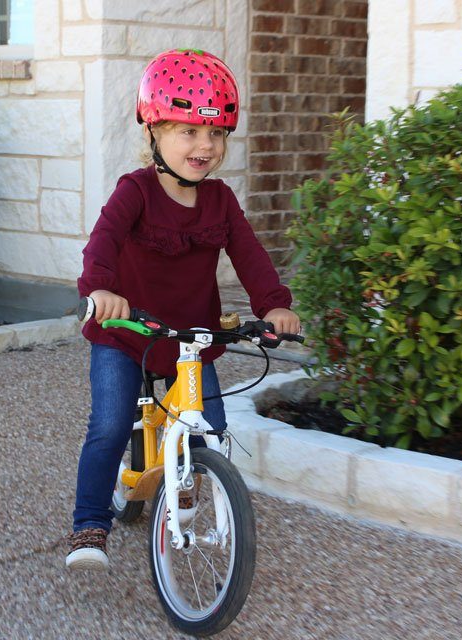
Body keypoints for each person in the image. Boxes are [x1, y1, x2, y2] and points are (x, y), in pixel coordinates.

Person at [66, 48, 300, 571]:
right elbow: (102, 241)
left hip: (191, 338)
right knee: (108, 424)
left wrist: (275, 305)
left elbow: (251, 257)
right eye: (188, 131)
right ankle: (89, 525)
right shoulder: (136, 192)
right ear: (154, 132)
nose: (205, 145)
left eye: (216, 134)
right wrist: (100, 290)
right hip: (125, 333)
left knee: (209, 428)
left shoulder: (221, 201)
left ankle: (191, 480)